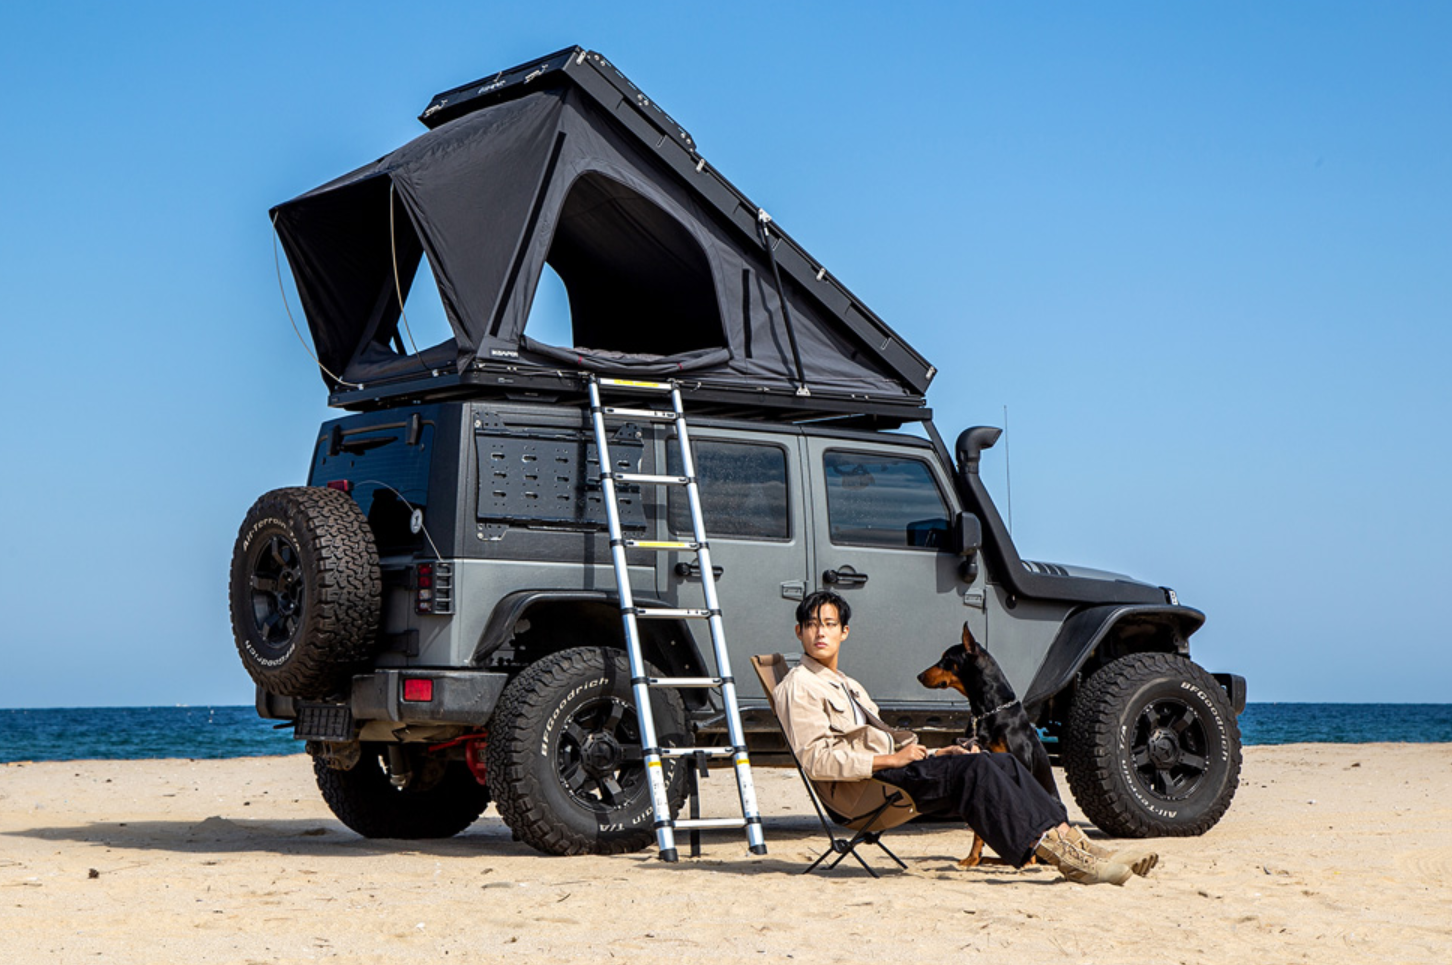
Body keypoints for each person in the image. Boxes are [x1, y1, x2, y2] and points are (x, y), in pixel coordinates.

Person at [774, 590, 1158, 885]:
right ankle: (1068, 860)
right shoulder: (799, 686)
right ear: (799, 632)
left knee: (1001, 760)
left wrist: (938, 752)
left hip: (891, 772)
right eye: (811, 624)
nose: (819, 631)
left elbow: (883, 742)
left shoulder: (847, 684)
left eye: (828, 623)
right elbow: (815, 759)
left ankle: (1076, 842)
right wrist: (892, 761)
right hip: (864, 790)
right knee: (976, 772)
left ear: (844, 632)